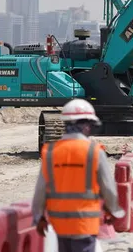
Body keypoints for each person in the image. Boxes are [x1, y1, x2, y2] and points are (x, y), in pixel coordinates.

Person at [32, 98, 124, 252]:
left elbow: (40, 190)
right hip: (84, 224)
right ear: (87, 126)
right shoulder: (94, 152)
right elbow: (108, 188)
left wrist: (38, 217)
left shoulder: (50, 152)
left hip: (59, 225)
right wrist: (114, 211)